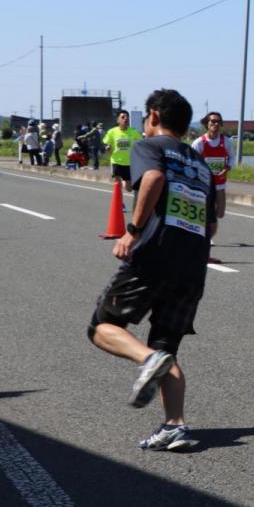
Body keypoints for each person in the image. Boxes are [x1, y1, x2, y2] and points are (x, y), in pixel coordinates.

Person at [86, 89, 215, 451]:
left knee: (102, 327)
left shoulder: (151, 147)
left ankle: (148, 359)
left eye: (145, 117)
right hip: (192, 265)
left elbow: (155, 180)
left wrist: (133, 230)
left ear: (154, 116)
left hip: (155, 256)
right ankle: (175, 426)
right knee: (166, 344)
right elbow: (214, 219)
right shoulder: (200, 164)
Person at [190, 111, 232, 229]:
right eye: (213, 121)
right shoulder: (199, 142)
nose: (216, 124)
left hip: (219, 182)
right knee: (207, 210)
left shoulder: (225, 141)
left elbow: (232, 157)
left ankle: (208, 221)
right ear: (207, 124)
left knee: (220, 213)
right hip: (204, 183)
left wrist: (227, 167)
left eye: (218, 121)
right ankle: (206, 233)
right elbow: (192, 161)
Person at [103, 110, 143, 191]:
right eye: (123, 117)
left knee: (128, 188)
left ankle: (124, 183)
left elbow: (141, 141)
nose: (125, 119)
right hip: (116, 161)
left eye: (127, 117)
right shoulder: (112, 132)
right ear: (118, 120)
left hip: (128, 162)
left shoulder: (133, 131)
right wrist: (107, 147)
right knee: (117, 183)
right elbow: (106, 142)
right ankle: (119, 203)